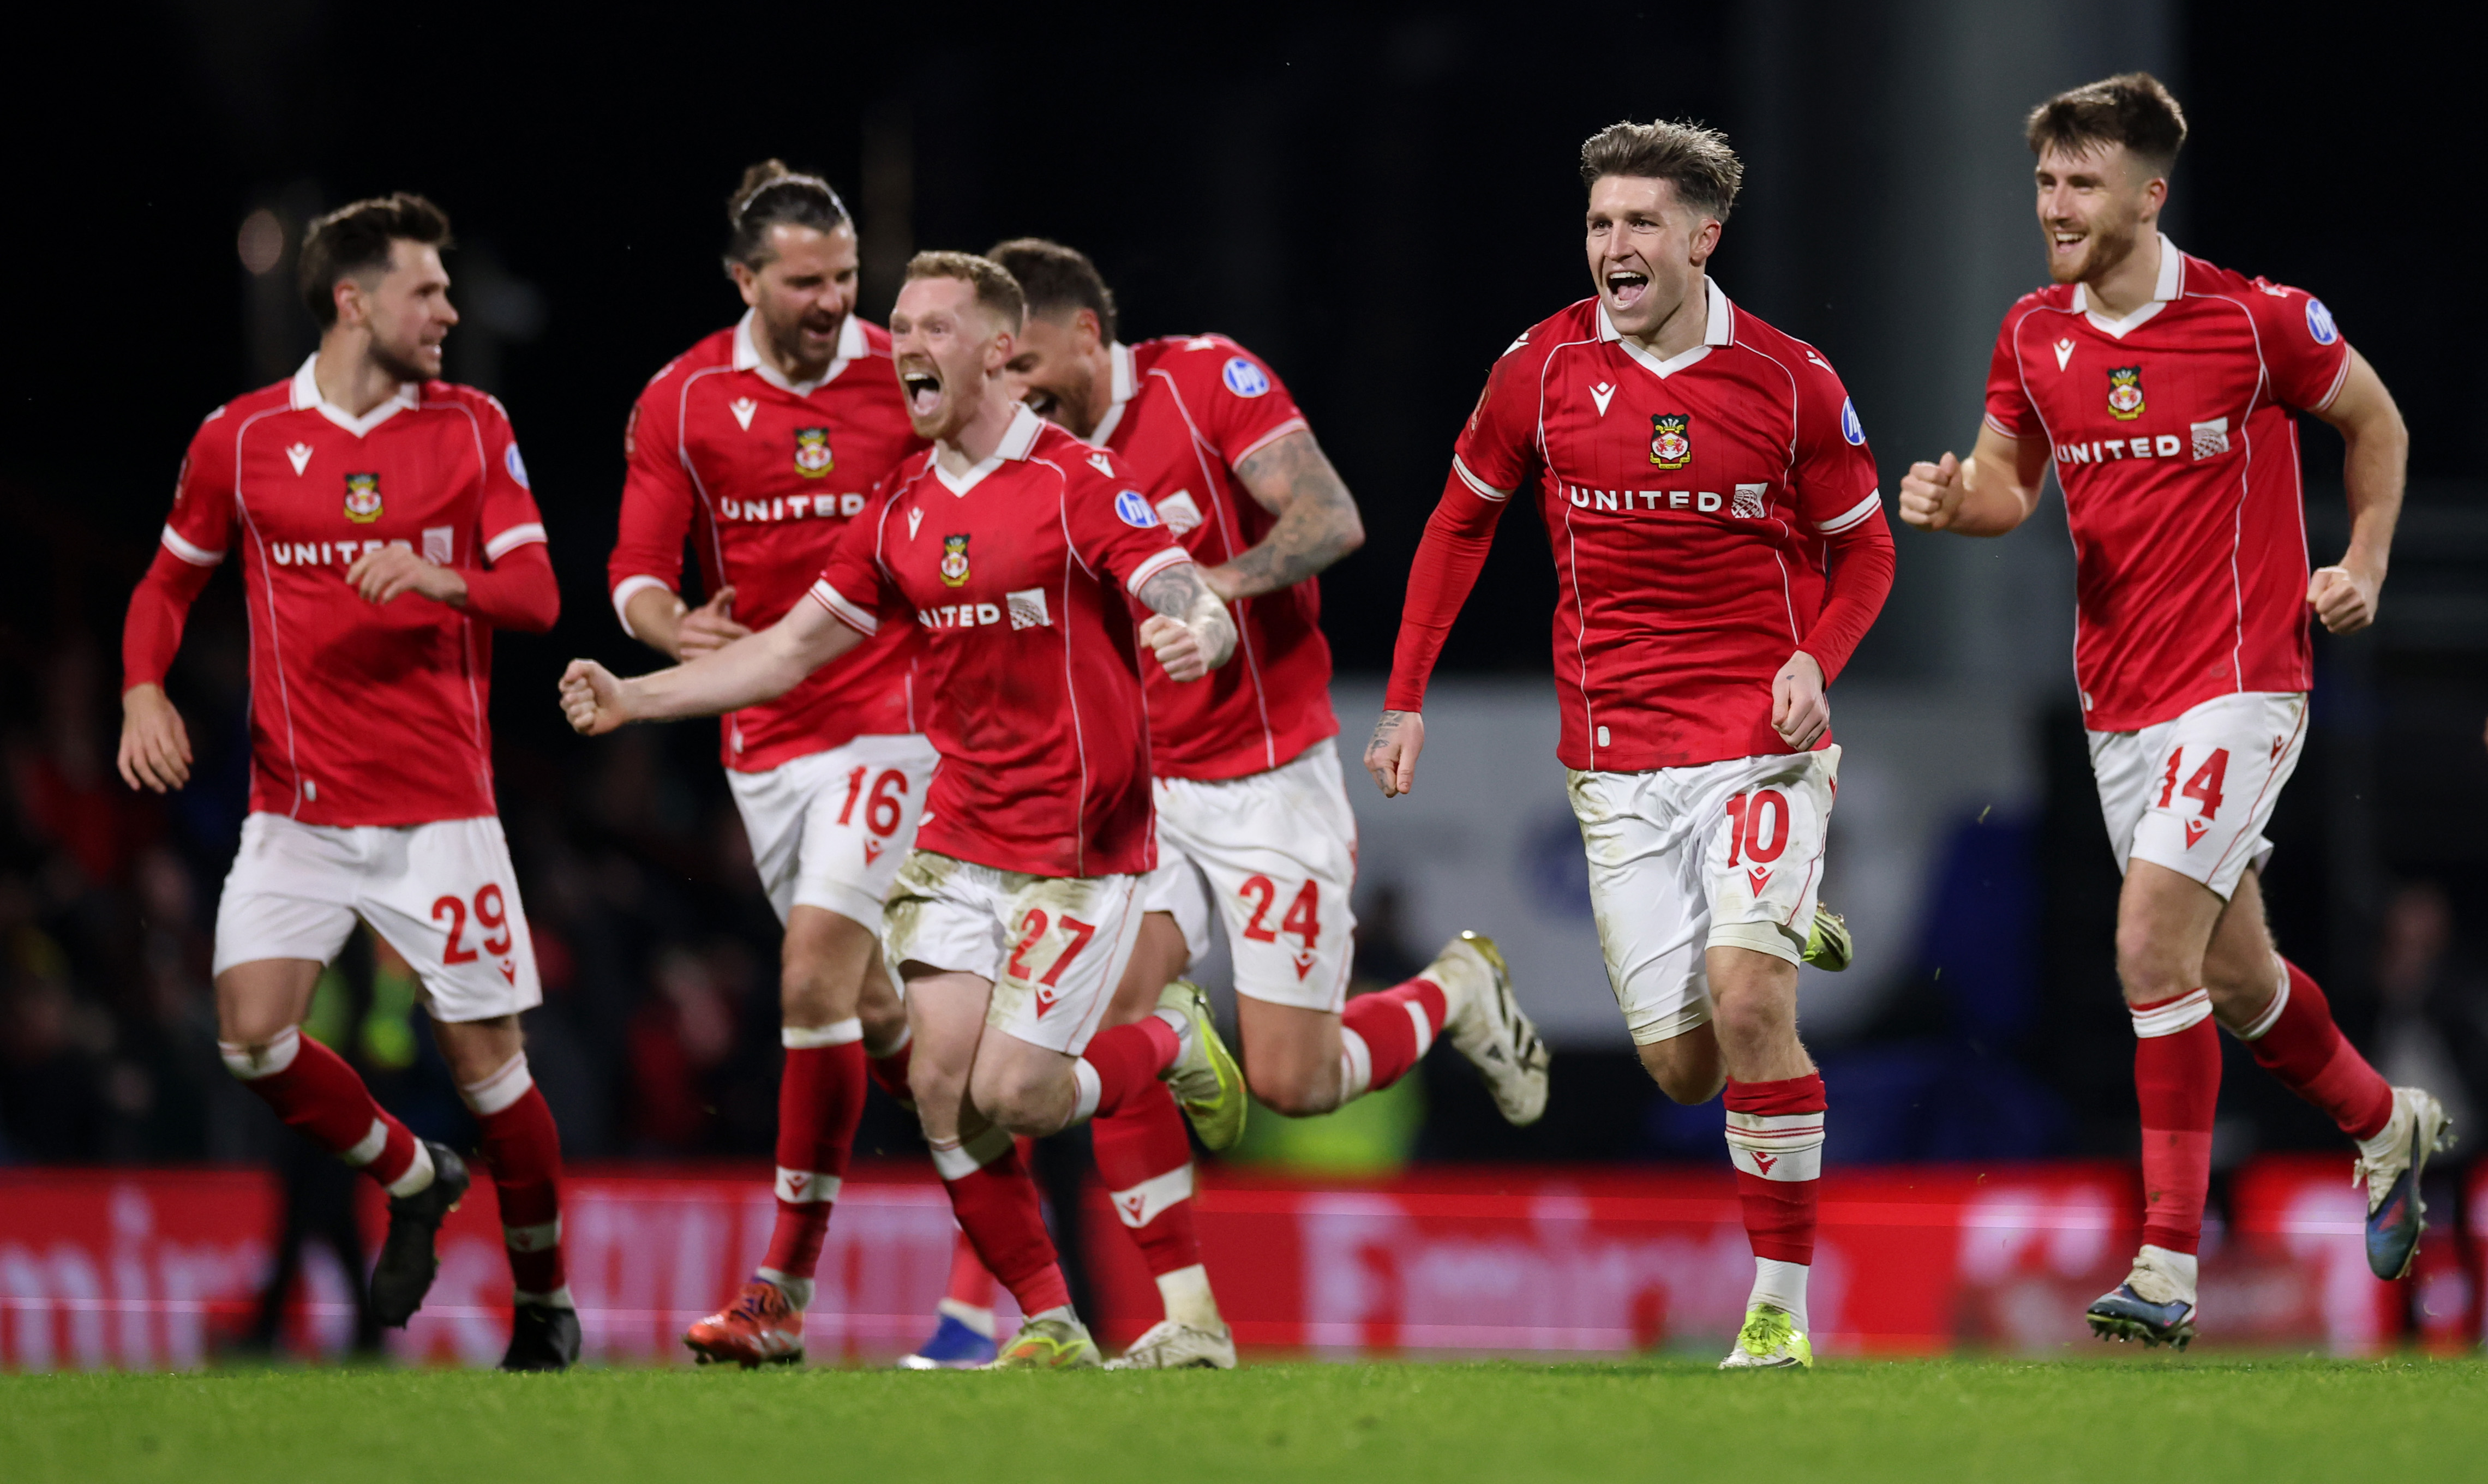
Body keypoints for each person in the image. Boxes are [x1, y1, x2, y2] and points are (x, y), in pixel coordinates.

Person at [560, 251, 1250, 1370]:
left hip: (1080, 851)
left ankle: (1169, 1035)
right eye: (903, 325)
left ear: (995, 352)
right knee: (938, 1090)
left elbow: (1175, 585)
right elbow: (786, 649)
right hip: (960, 840)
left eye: (935, 326)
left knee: (1015, 1092)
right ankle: (1050, 1324)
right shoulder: (899, 509)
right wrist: (636, 697)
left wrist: (1197, 630)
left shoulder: (1075, 478)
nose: (908, 344)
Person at [1898, 72, 2439, 1349]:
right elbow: (2002, 486)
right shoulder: (2034, 332)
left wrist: (2359, 564)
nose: (2055, 205)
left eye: (2081, 182)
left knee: (2148, 942)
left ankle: (2164, 1262)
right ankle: (2383, 1122)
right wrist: (1946, 497)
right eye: (2044, 181)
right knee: (2234, 977)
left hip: (2247, 681)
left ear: (2150, 193)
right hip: (2120, 702)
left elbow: (2376, 421)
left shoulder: (2257, 322)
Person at [964, 237, 1550, 1369]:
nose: (1020, 389)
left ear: (1090, 334)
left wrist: (1214, 586)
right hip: (1140, 797)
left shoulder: (1203, 382)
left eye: (1030, 362)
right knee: (1107, 1018)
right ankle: (1189, 1321)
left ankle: (1456, 990)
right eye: (1005, 371)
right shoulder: (1024, 460)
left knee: (1294, 1080)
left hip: (1266, 780)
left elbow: (1331, 520)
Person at [1366, 121, 1895, 1370]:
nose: (1614, 246)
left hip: (1754, 744)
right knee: (1677, 1067)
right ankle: (1776, 909)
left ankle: (1777, 1311)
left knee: (1752, 995)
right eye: (1601, 222)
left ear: (1704, 238)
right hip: (1614, 760)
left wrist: (1815, 658)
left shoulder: (1788, 379)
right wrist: (1404, 694)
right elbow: (1456, 525)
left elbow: (1865, 546)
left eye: (1641, 223)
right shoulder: (1538, 370)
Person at [118, 194, 577, 1371]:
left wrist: (441, 580)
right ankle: (414, 1179)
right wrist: (141, 691)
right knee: (252, 1037)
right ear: (353, 300)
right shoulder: (244, 437)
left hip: (442, 816)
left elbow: (536, 597)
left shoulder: (472, 427)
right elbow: (169, 583)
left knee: (495, 1077)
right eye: (427, 290)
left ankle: (544, 1306)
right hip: (299, 811)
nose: (450, 310)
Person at [607, 163, 940, 1367]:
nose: (832, 302)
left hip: (900, 724)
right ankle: (1016, 1224)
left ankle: (776, 1294)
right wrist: (663, 627)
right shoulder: (683, 401)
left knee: (809, 979)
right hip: (765, 745)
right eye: (805, 282)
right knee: (873, 1009)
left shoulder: (905, 371)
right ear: (744, 278)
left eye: (846, 279)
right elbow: (637, 566)